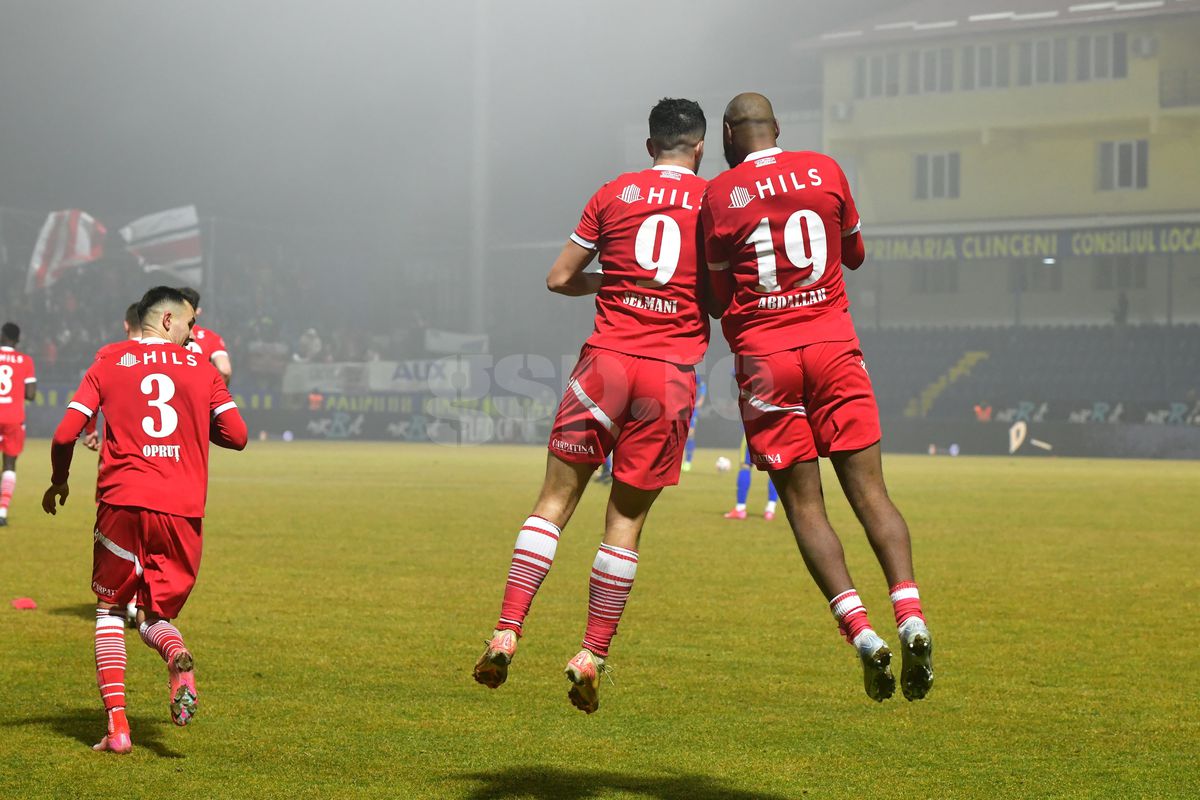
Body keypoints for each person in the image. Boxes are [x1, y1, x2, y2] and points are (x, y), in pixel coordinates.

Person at [474, 98, 710, 714]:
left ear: (650, 145)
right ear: (701, 148)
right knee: (624, 524)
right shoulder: (714, 202)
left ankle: (506, 631)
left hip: (604, 365)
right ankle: (590, 654)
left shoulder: (613, 192)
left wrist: (613, 280)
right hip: (668, 375)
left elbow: (558, 278)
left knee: (552, 505)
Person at [701, 93, 932, 703]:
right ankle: (910, 614)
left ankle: (861, 633)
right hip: (834, 348)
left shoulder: (718, 197)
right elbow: (854, 254)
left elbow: (719, 294)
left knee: (806, 508)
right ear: (778, 128)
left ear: (728, 134)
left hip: (766, 360)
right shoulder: (825, 170)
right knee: (873, 493)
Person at [42, 286, 248, 753]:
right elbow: (237, 436)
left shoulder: (109, 360)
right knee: (153, 613)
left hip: (122, 501)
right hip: (182, 508)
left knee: (111, 610)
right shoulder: (202, 367)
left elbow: (63, 433)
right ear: (170, 320)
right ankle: (175, 653)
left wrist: (59, 480)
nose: (195, 334)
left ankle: (118, 728)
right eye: (192, 325)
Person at [0, 322, 37, 527]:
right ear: (17, 340)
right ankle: (2, 512)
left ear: (2, 336)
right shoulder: (25, 361)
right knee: (9, 465)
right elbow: (31, 395)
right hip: (14, 418)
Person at [177, 287, 232, 385]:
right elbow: (224, 370)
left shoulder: (163, 335)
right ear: (198, 311)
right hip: (200, 395)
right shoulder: (211, 338)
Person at [724, 437, 778, 520]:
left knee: (745, 466)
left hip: (754, 433)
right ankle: (770, 510)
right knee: (775, 468)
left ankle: (740, 509)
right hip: (776, 434)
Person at [680, 376, 707, 472]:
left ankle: (688, 461)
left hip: (692, 409)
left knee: (690, 434)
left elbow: (703, 385)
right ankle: (676, 462)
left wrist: (701, 399)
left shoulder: (694, 375)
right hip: (680, 408)